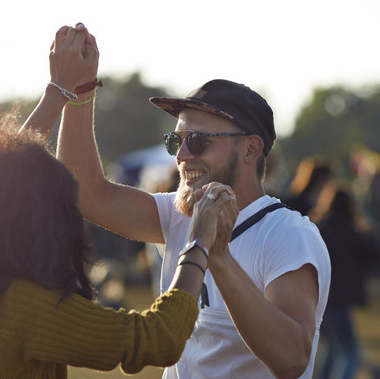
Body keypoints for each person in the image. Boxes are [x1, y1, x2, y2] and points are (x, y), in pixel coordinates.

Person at [23, 23, 332, 378]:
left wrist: (217, 257)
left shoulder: (288, 234)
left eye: (198, 141)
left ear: (250, 149)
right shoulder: (179, 214)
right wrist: (80, 89)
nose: (182, 155)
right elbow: (86, 193)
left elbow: (292, 359)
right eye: (176, 140)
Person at [0, 106, 235, 378]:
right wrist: (199, 242)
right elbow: (157, 339)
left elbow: (0, 175)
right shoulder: (24, 305)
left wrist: (58, 93)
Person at [309, 182, 380, 379]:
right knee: (349, 353)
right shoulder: (350, 232)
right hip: (338, 301)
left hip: (318, 299)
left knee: (333, 350)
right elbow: (376, 254)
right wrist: (368, 231)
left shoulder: (317, 228)